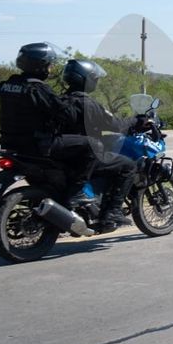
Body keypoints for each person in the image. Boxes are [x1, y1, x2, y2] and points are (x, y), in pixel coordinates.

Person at [0, 43, 96, 195]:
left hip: (10, 143)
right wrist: (73, 101)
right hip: (38, 145)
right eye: (49, 65)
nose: (50, 69)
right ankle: (77, 192)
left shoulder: (5, 85)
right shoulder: (37, 88)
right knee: (91, 145)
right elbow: (65, 113)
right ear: (40, 66)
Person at [60, 59, 142, 233]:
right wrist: (135, 120)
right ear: (86, 80)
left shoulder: (60, 101)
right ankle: (111, 213)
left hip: (62, 154)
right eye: (94, 78)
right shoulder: (89, 104)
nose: (96, 82)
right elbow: (116, 125)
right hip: (85, 157)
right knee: (128, 166)